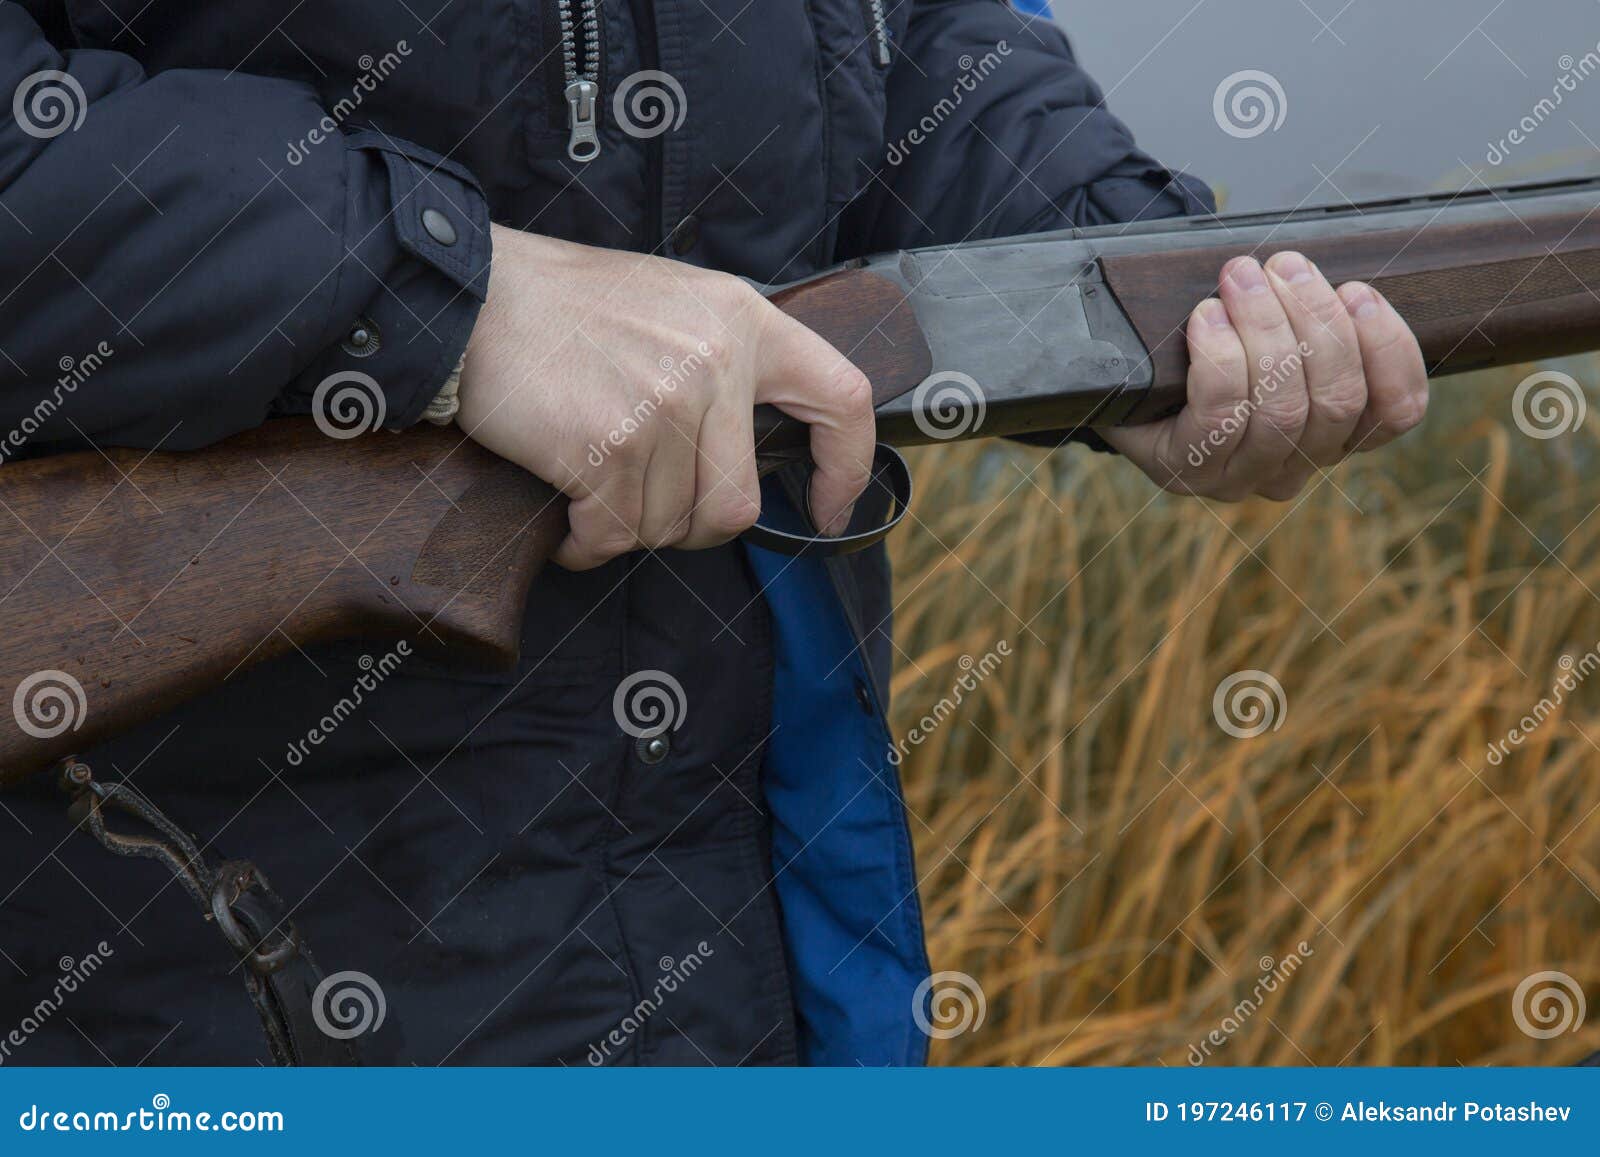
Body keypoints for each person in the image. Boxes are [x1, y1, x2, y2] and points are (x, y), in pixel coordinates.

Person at [0, 1, 1427, 1066]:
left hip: (751, 924)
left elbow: (913, 37)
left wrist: (1137, 309)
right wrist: (447, 295)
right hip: (198, 965)